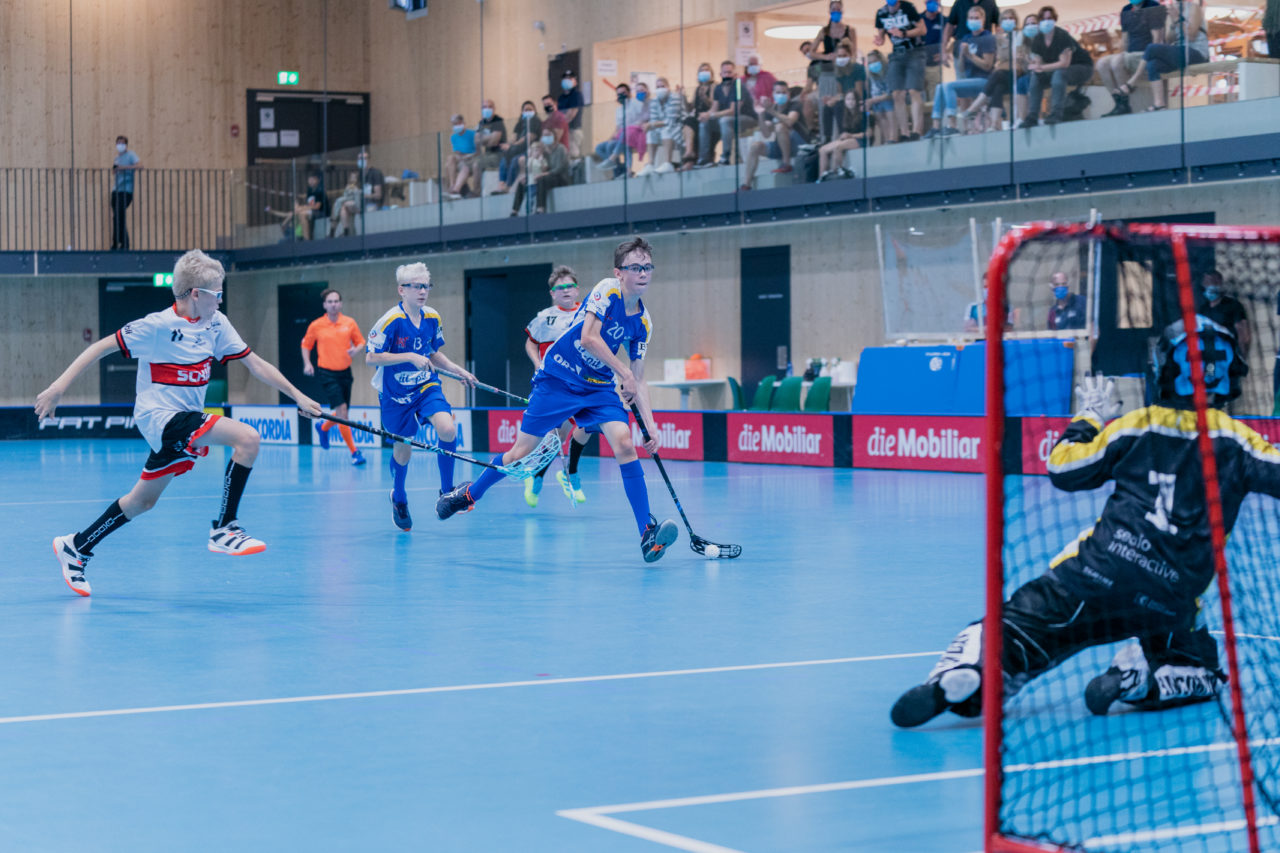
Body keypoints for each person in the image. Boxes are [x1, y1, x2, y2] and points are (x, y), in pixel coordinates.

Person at [892, 316, 1266, 728]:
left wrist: (1088, 418)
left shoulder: (1134, 426)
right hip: (1170, 596)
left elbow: (1062, 469)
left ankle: (969, 671)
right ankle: (1138, 678)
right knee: (1202, 668)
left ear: (1163, 368)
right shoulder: (1243, 443)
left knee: (1013, 628)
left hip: (1095, 573)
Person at [37, 249, 323, 596]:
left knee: (142, 502)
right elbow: (99, 348)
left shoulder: (217, 323)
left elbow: (256, 364)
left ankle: (76, 547)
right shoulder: (156, 326)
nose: (221, 299)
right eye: (217, 293)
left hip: (183, 422)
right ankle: (224, 528)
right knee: (247, 439)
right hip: (160, 418)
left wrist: (297, 396)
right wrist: (57, 388)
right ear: (195, 295)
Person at [436, 238, 679, 564]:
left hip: (598, 388)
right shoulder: (607, 291)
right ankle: (468, 494)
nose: (643, 273)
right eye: (635, 267)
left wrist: (650, 425)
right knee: (520, 454)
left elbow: (638, 378)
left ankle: (645, 533)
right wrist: (623, 371)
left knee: (624, 444)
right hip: (558, 380)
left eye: (647, 267)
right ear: (619, 273)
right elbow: (588, 338)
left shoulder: (643, 322)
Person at [367, 263, 478, 531]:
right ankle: (399, 497)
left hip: (426, 387)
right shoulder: (390, 321)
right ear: (401, 290)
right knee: (403, 453)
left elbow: (433, 353)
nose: (422, 291)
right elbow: (371, 357)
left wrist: (457, 370)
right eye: (416, 286)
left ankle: (446, 492)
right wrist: (409, 356)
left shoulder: (432, 317)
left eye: (426, 286)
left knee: (448, 428)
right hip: (396, 396)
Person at [521, 266, 591, 507]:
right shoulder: (545, 317)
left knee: (589, 425)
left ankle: (567, 473)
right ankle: (539, 475)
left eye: (570, 286)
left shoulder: (587, 313)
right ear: (553, 293)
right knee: (556, 437)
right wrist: (537, 363)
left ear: (577, 289)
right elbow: (531, 344)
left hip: (582, 383)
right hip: (555, 384)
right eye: (560, 288)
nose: (566, 291)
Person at [301, 288, 367, 465]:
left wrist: (356, 349)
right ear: (324, 305)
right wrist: (307, 363)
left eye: (336, 301)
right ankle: (354, 452)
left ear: (341, 303)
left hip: (345, 373)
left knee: (341, 413)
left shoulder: (349, 323)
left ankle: (323, 427)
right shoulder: (316, 325)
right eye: (330, 302)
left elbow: (361, 342)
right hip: (327, 373)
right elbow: (306, 345)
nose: (333, 304)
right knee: (343, 413)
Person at [926, 5, 996, 137]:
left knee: (948, 86)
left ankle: (952, 125)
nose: (973, 20)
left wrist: (970, 55)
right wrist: (962, 56)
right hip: (970, 80)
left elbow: (987, 65)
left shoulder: (987, 38)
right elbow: (962, 69)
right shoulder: (965, 39)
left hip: (985, 81)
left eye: (976, 18)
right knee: (940, 87)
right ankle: (935, 126)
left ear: (983, 20)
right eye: (970, 18)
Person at [1020, 8, 1094, 126]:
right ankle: (1032, 116)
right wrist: (1033, 64)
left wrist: (1041, 68)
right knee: (1036, 77)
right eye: (1043, 19)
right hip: (1058, 69)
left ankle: (1056, 114)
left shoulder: (1062, 35)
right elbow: (1039, 62)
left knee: (1059, 74)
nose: (1046, 22)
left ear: (1054, 20)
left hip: (1082, 67)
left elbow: (1064, 63)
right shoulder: (1038, 39)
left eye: (1049, 19)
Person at [1096, 0, 1166, 116]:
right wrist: (1121, 53)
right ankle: (1120, 104)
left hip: (1145, 53)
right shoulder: (1126, 10)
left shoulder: (1153, 6)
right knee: (1101, 63)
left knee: (1116, 62)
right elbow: (1125, 38)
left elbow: (1157, 38)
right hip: (1130, 54)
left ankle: (1125, 97)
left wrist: (1152, 56)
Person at [1136, 0, 1208, 112]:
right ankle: (1159, 104)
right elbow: (1169, 40)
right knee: (1152, 64)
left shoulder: (1193, 8)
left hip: (1196, 52)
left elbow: (1191, 35)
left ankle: (1132, 81)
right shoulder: (1174, 11)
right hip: (1180, 52)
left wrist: (1177, 18)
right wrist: (1172, 24)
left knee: (1152, 48)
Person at [740, 80, 811, 191]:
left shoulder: (794, 105)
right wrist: (761, 115)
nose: (781, 95)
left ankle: (786, 163)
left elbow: (790, 121)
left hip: (800, 144)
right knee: (755, 146)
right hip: (781, 144)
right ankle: (746, 184)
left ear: (789, 94)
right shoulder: (771, 109)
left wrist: (772, 111)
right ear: (773, 94)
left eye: (784, 92)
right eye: (778, 92)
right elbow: (766, 133)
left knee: (780, 127)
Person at [874, 0, 929, 142]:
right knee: (897, 93)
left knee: (913, 90)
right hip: (897, 55)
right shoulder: (881, 13)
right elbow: (882, 33)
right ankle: (904, 132)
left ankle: (916, 131)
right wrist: (879, 39)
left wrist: (904, 33)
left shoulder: (907, 7)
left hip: (915, 52)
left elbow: (922, 29)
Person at [810, 2, 857, 144]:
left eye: (838, 9)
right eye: (833, 10)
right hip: (828, 71)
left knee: (840, 103)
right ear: (829, 11)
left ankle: (842, 136)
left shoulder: (850, 30)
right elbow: (812, 53)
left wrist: (846, 61)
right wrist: (827, 56)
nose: (836, 12)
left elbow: (853, 52)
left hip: (843, 71)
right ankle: (827, 138)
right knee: (826, 104)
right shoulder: (824, 32)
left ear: (842, 10)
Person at [698, 60, 758, 166]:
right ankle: (704, 158)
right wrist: (706, 115)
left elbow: (733, 111)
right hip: (729, 120)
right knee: (704, 123)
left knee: (724, 121)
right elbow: (714, 108)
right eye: (725, 72)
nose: (727, 75)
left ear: (735, 74)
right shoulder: (718, 88)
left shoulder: (739, 86)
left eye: (729, 72)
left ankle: (725, 156)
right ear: (720, 74)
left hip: (747, 119)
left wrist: (711, 115)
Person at [638, 77, 685, 175]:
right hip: (663, 126)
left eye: (662, 86)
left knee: (666, 129)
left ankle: (668, 163)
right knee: (651, 132)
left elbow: (671, 120)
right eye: (658, 87)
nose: (660, 89)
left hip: (679, 125)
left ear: (668, 87)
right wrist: (651, 125)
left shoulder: (675, 97)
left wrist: (651, 124)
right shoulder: (654, 101)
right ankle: (650, 164)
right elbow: (654, 119)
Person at [1198, 270, 1251, 354]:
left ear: (1219, 283)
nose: (1208, 285)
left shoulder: (1233, 305)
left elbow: (1243, 334)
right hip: (1208, 352)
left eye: (1211, 282)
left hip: (1228, 352)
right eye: (1205, 282)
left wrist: (1242, 356)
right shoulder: (1203, 309)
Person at [110, 135, 141, 250]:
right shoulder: (117, 158)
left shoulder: (131, 155)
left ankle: (123, 243)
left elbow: (140, 165)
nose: (120, 145)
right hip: (116, 190)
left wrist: (123, 168)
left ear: (126, 145)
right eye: (118, 143)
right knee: (116, 217)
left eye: (122, 143)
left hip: (126, 191)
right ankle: (118, 242)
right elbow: (114, 171)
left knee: (120, 216)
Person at [443, 114, 477, 199]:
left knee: (453, 166)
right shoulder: (453, 137)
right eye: (454, 124)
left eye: (457, 123)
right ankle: (452, 185)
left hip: (472, 158)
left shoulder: (472, 134)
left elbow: (478, 151)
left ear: (463, 123)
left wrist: (468, 156)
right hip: (461, 159)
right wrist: (461, 158)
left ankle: (455, 190)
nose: (456, 126)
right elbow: (457, 153)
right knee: (450, 159)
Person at [558, 70, 585, 158]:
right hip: (563, 131)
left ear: (575, 81)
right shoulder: (561, 97)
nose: (567, 80)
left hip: (573, 130)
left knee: (573, 155)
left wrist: (560, 126)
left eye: (570, 78)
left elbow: (571, 114)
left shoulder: (576, 95)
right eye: (565, 78)